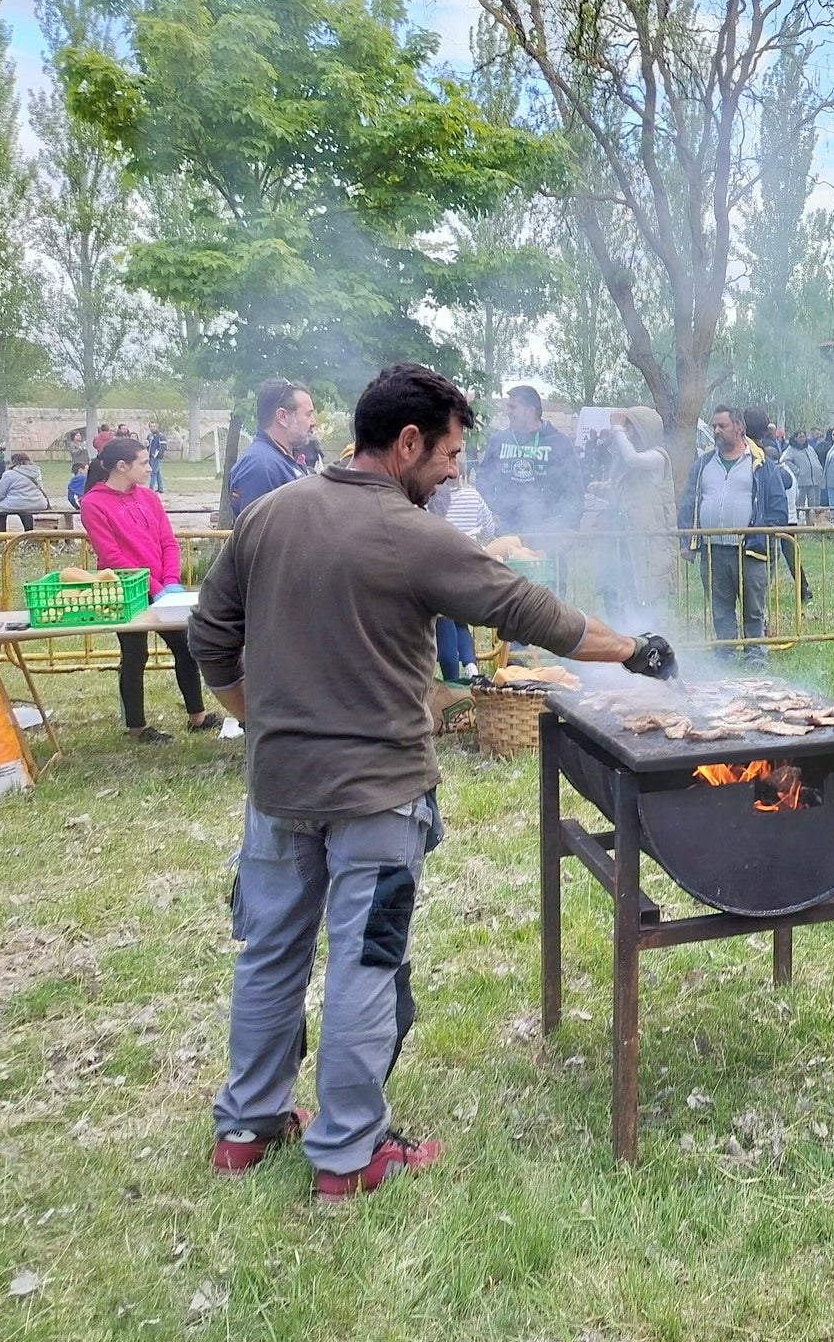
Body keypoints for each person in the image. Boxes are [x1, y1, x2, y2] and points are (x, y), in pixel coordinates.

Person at [191, 362, 675, 1200]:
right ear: (407, 442)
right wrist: (634, 649)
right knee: (365, 966)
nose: (455, 471)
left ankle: (246, 1126)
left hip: (277, 790)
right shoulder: (413, 535)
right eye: (449, 453)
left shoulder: (269, 515)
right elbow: (533, 613)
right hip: (377, 798)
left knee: (269, 951)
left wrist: (259, 718)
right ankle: (348, 1154)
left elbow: (209, 639)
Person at [82, 440, 219, 743]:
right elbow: (112, 557)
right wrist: (155, 588)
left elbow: (167, 541)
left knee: (185, 647)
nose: (148, 468)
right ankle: (137, 728)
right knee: (134, 655)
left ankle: (197, 717)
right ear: (122, 466)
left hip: (163, 590)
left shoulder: (148, 497)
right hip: (126, 590)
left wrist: (170, 581)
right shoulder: (93, 504)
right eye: (143, 463)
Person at [677, 404, 790, 666]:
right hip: (713, 550)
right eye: (714, 425)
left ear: (739, 428)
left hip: (750, 549)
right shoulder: (704, 462)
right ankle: (725, 651)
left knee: (753, 605)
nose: (716, 430)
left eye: (722, 426)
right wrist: (687, 540)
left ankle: (754, 653)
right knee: (720, 606)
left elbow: (777, 505)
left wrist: (766, 533)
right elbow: (689, 501)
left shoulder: (761, 463)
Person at [474, 385, 583, 537]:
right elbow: (483, 478)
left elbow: (574, 489)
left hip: (546, 533)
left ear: (530, 412)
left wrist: (568, 525)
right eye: (508, 407)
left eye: (513, 407)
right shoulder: (498, 441)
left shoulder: (560, 443)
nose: (508, 412)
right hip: (505, 531)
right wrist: (489, 512)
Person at [605, 406, 676, 615]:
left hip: (651, 547)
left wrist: (617, 428)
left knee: (649, 607)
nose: (626, 432)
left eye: (630, 427)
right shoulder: (629, 463)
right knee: (626, 603)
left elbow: (632, 458)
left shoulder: (658, 457)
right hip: (629, 546)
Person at [427, 475, 496, 682]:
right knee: (460, 624)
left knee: (445, 623)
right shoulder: (472, 497)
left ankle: (452, 682)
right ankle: (470, 668)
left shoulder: (428, 514)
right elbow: (490, 528)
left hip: (440, 578)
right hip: (467, 572)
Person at [748, 405, 811, 605]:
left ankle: (803, 591)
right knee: (791, 561)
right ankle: (804, 590)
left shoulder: (779, 475)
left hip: (786, 523)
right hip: (788, 521)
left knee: (782, 562)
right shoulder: (786, 473)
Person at [229, 378, 317, 519]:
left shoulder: (283, 459)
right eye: (308, 414)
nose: (313, 422)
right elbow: (258, 536)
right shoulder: (260, 466)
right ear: (283, 417)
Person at [0, 451, 49, 530]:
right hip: (38, 503)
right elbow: (40, 488)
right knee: (26, 510)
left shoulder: (9, 474)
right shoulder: (36, 471)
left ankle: (0, 535)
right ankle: (29, 531)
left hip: (16, 503)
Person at [786, 430, 823, 523]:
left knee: (813, 502)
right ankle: (796, 518)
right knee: (799, 501)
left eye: (803, 436)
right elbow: (786, 461)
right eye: (800, 437)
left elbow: (816, 458)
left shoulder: (809, 448)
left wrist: (819, 468)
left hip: (813, 480)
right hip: (801, 480)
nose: (802, 439)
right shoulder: (791, 450)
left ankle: (812, 521)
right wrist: (797, 471)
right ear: (795, 438)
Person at [146, 426, 167, 492]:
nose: (152, 428)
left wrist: (158, 454)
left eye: (154, 426)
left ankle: (151, 488)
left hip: (157, 457)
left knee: (153, 472)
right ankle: (160, 488)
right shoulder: (149, 436)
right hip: (150, 456)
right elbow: (148, 446)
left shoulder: (161, 436)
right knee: (157, 472)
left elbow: (163, 447)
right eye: (151, 426)